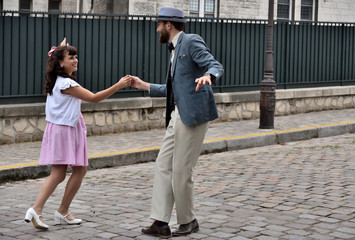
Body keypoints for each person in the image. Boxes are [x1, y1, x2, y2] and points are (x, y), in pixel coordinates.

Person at [130, 7, 223, 238]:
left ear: (168, 25)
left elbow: (215, 64)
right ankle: (160, 222)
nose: (157, 29)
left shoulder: (190, 41)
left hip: (192, 116)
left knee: (182, 170)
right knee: (163, 164)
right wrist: (143, 85)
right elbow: (174, 89)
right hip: (177, 114)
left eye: (158, 24)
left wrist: (208, 76)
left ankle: (189, 220)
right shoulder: (174, 51)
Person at [24, 38, 132, 229]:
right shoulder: (66, 83)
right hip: (66, 129)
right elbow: (94, 98)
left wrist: (61, 47)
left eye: (76, 57)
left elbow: (59, 59)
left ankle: (55, 211)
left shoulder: (57, 81)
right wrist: (119, 85)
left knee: (66, 172)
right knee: (64, 172)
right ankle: (41, 209)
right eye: (71, 57)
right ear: (60, 63)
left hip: (61, 128)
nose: (76, 60)